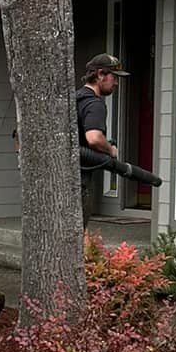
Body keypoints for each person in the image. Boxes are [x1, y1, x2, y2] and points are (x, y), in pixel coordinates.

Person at [76, 52, 128, 225]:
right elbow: (94, 138)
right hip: (80, 180)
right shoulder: (95, 103)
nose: (117, 83)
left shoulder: (75, 99)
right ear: (100, 75)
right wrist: (110, 150)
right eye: (114, 77)